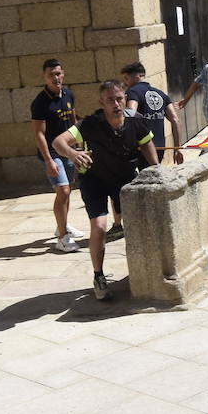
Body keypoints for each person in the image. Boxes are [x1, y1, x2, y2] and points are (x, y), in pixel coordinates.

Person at [52, 80, 159, 300]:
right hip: (95, 179)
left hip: (125, 179)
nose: (116, 103)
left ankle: (145, 270)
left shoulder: (135, 120)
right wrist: (73, 154)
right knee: (99, 227)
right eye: (110, 99)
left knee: (140, 223)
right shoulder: (89, 123)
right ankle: (99, 276)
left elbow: (147, 142)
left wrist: (157, 170)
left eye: (119, 98)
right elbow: (58, 142)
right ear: (102, 102)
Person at [29, 58, 82, 253]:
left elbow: (74, 121)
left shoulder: (69, 94)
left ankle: (63, 225)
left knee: (68, 190)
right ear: (45, 76)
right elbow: (39, 133)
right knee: (63, 191)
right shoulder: (40, 102)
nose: (56, 78)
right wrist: (49, 160)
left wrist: (78, 147)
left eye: (58, 73)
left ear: (63, 74)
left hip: (68, 150)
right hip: (52, 153)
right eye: (51, 75)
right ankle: (62, 238)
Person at [120, 62, 185, 166]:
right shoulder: (161, 94)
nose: (125, 83)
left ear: (137, 77)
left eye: (126, 78)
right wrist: (178, 148)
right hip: (160, 147)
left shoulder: (133, 92)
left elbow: (130, 114)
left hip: (142, 148)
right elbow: (175, 120)